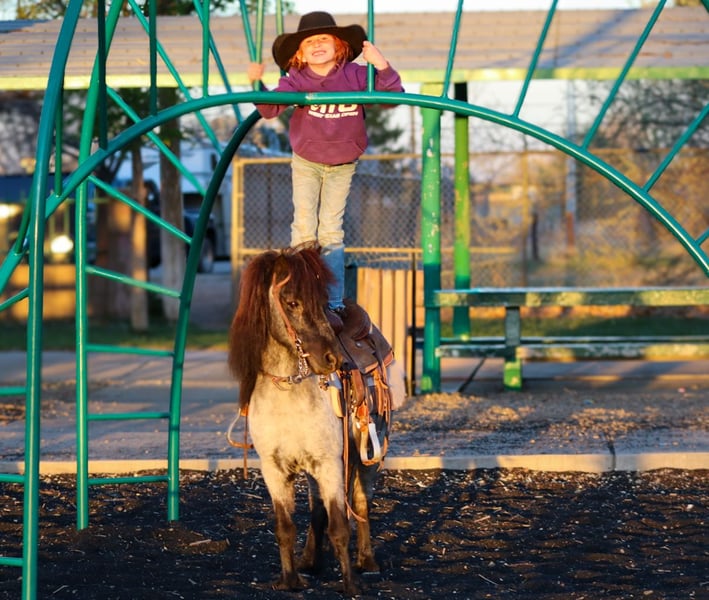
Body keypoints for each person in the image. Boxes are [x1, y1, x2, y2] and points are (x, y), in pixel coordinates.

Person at [247, 11, 404, 324]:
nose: (317, 45)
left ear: (339, 46)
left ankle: (333, 302)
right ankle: (302, 291)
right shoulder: (296, 79)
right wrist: (255, 81)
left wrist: (381, 64)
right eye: (309, 42)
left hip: (343, 161)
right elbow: (268, 109)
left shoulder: (356, 75)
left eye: (324, 39)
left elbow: (393, 98)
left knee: (331, 229)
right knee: (304, 226)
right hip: (307, 160)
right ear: (299, 53)